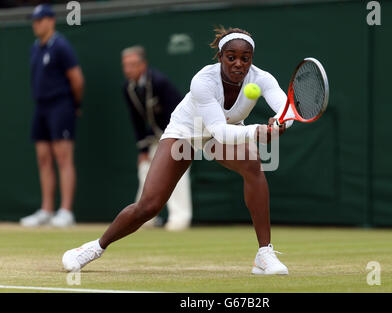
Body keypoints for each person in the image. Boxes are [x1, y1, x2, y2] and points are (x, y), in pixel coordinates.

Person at [62, 26, 294, 275]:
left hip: (223, 133)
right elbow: (219, 131)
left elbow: (287, 110)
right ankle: (95, 247)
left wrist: (280, 123)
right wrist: (259, 131)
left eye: (245, 59)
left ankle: (264, 254)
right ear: (220, 57)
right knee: (149, 206)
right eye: (231, 57)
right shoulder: (203, 81)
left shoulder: (262, 78)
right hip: (187, 132)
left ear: (251, 60)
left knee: (253, 165)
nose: (238, 64)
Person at [20, 4, 84, 227]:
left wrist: (75, 104)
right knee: (43, 159)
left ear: (50, 21)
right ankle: (47, 210)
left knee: (63, 158)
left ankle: (66, 211)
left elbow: (77, 79)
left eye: (39, 20)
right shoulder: (35, 48)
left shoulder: (61, 46)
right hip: (41, 107)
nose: (35, 25)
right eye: (34, 21)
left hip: (61, 106)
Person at [121, 46, 192, 231]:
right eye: (125, 65)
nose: (128, 69)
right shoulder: (128, 88)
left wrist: (172, 140)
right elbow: (136, 119)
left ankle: (180, 218)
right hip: (157, 137)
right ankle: (144, 218)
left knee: (176, 172)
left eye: (132, 65)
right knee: (145, 169)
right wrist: (142, 150)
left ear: (143, 65)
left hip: (181, 132)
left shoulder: (160, 82)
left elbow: (177, 112)